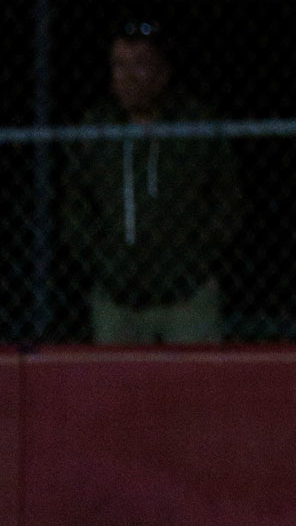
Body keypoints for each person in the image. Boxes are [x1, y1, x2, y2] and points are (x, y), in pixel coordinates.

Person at [62, 19, 243, 344]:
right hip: (116, 297)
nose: (128, 77)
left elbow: (226, 201)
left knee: (195, 376)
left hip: (187, 296)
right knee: (117, 377)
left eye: (140, 65)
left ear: (164, 72)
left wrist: (193, 262)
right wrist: (105, 266)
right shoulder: (96, 128)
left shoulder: (196, 125)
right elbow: (76, 207)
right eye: (119, 66)